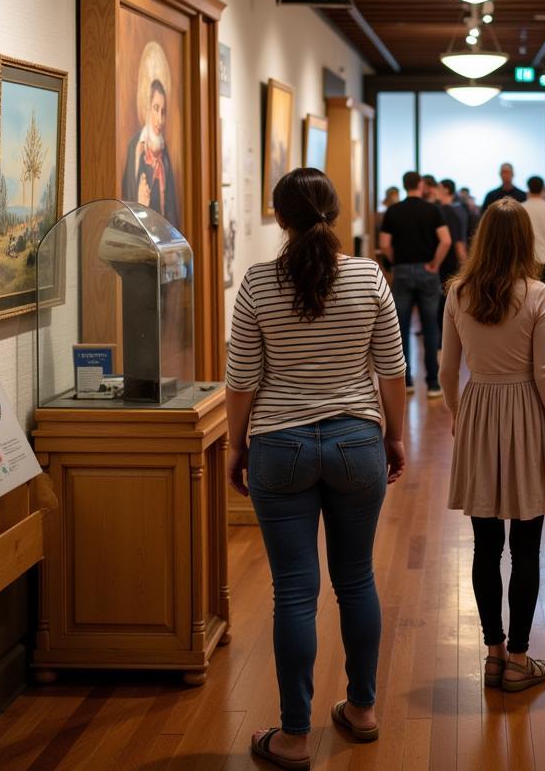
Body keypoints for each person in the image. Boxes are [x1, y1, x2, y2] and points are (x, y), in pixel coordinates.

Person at [225, 168, 407, 766]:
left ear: (280, 218)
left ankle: (295, 736)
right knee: (355, 580)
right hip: (358, 442)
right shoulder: (368, 276)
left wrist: (235, 445)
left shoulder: (257, 283)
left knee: (295, 593)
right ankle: (362, 709)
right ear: (336, 212)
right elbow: (391, 370)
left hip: (280, 444)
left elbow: (242, 380)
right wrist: (396, 437)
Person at [441, 199, 545, 692]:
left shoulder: (458, 291)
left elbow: (447, 368)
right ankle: (520, 658)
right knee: (527, 545)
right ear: (523, 241)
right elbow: (544, 371)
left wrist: (458, 412)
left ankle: (493, 653)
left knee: (484, 543)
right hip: (524, 412)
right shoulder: (536, 293)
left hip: (479, 406)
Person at [379, 171, 451, 397]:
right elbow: (446, 240)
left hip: (402, 271)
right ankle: (433, 384)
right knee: (431, 328)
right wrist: (435, 263)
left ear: (403, 185)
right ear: (420, 185)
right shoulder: (432, 209)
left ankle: (406, 381)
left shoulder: (393, 210)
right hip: (428, 272)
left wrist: (395, 262)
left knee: (401, 329)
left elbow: (385, 244)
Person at [122, 75, 179, 227]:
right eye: (156, 108)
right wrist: (140, 203)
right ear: (147, 107)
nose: (160, 119)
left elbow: (171, 207)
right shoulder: (135, 149)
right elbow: (126, 198)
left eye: (163, 111)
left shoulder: (164, 153)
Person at [433, 178, 467, 346]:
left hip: (447, 261)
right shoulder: (458, 209)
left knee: (444, 301)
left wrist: (465, 266)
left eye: (438, 188)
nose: (435, 191)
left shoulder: (446, 211)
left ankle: (444, 339)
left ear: (446, 190)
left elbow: (456, 242)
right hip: (450, 261)